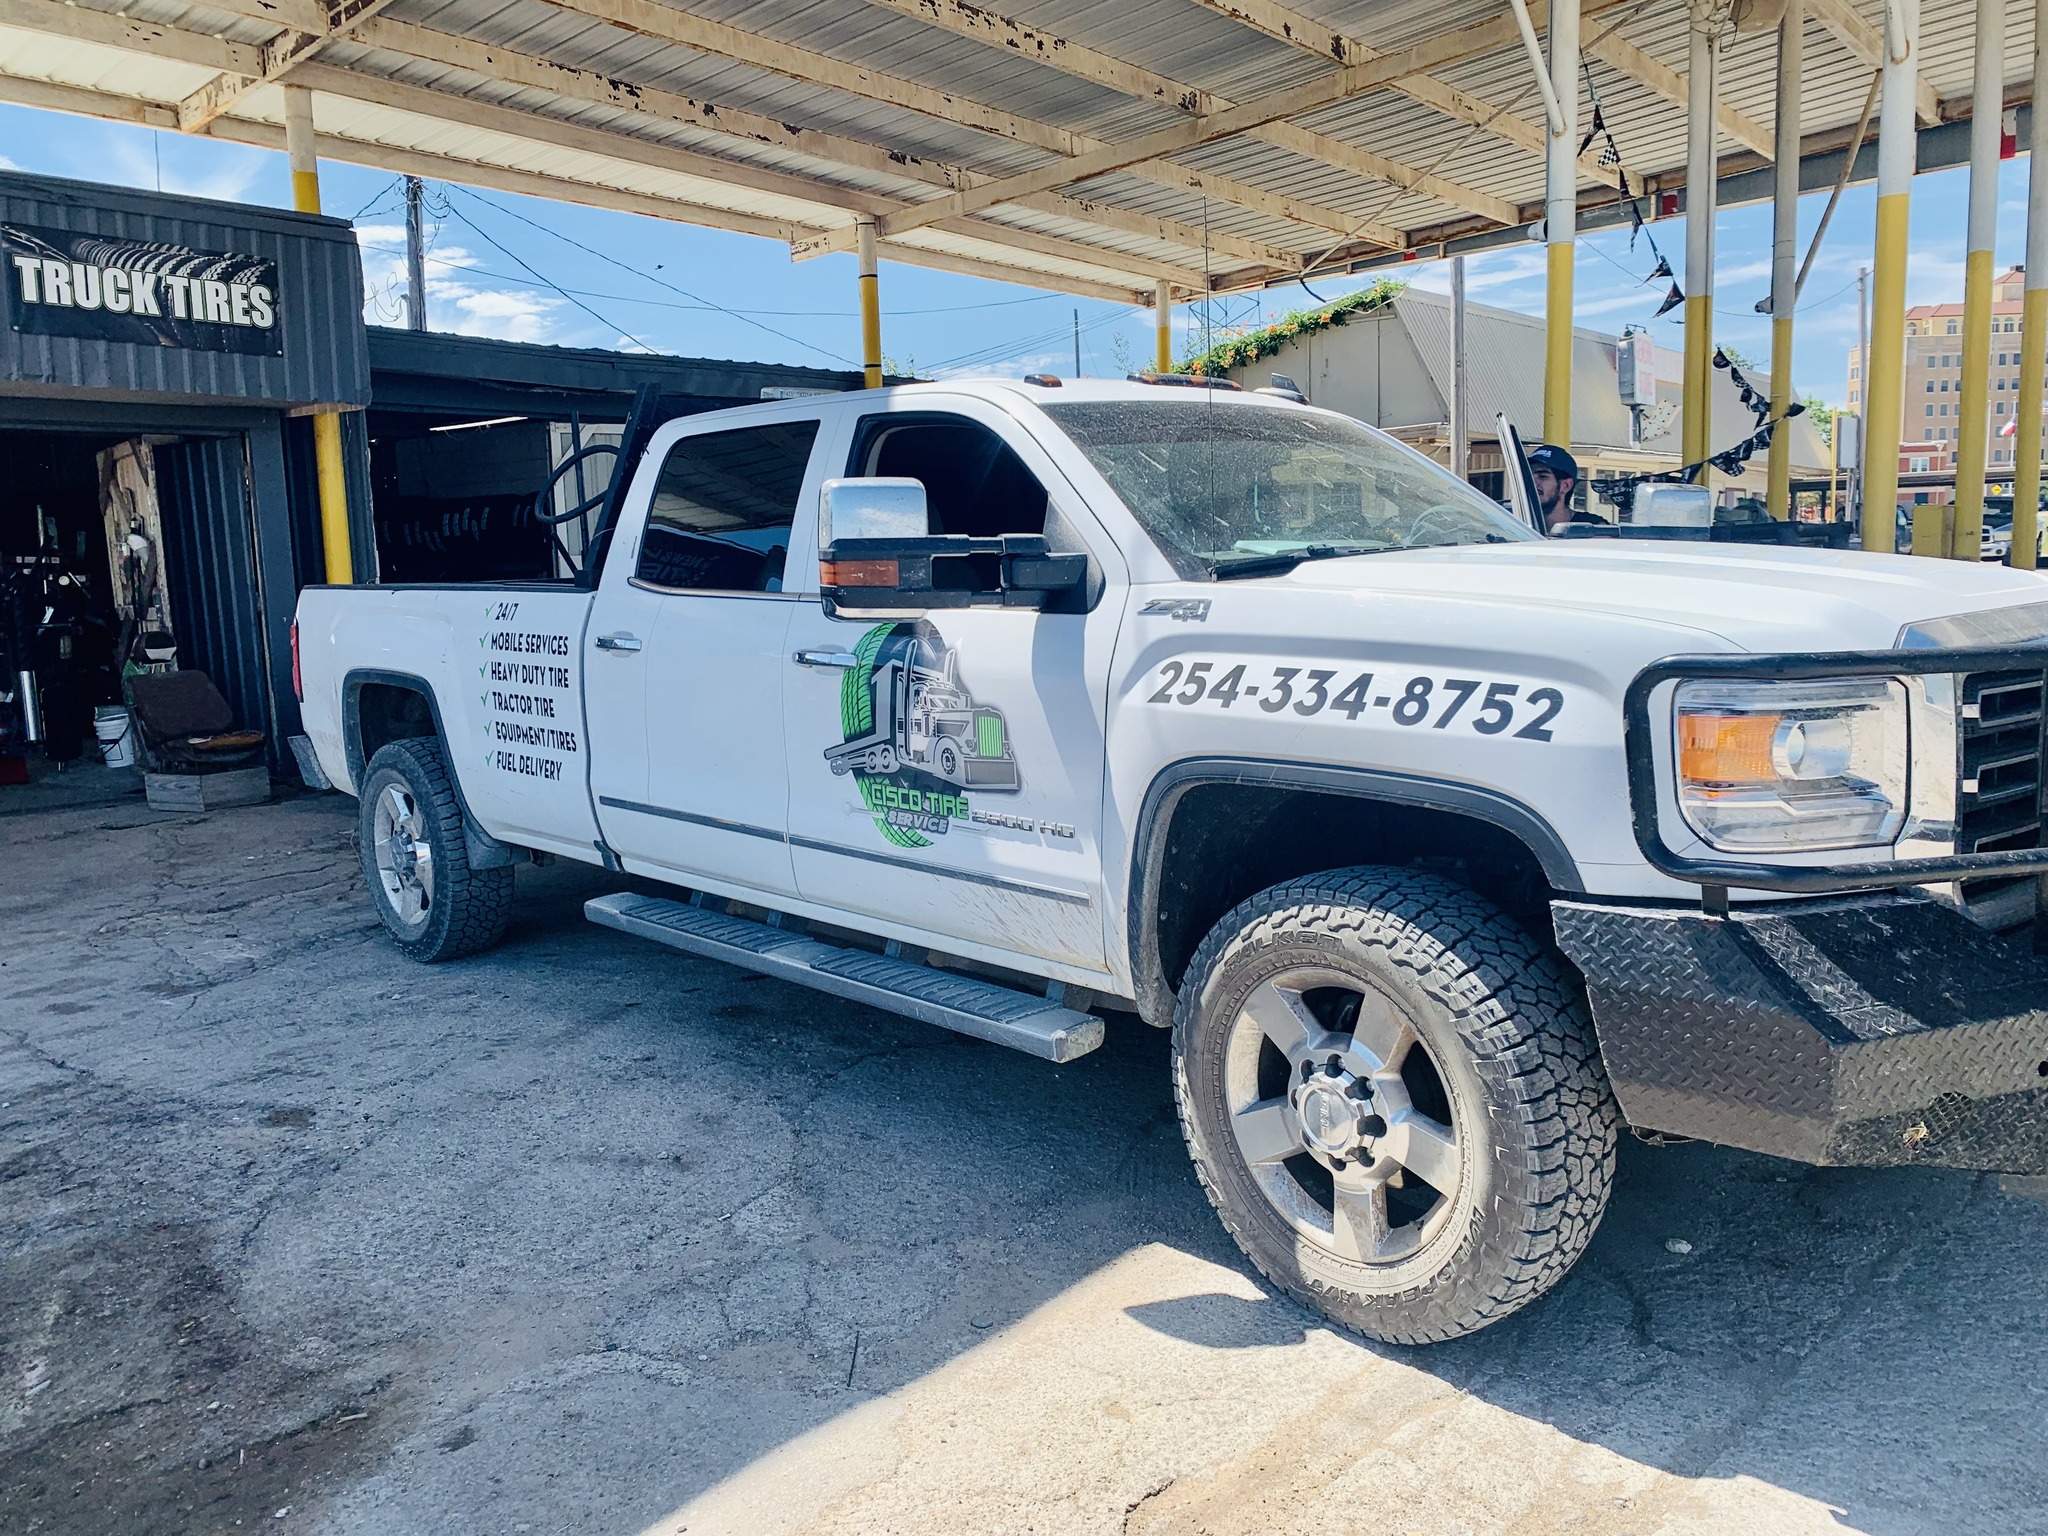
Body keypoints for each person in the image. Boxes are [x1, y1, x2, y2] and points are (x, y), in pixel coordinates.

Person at [1526, 443, 1605, 534]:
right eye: (1528, 476)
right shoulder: (1516, 523)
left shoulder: (1591, 527)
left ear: (1566, 486)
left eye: (1542, 476)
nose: (1532, 483)